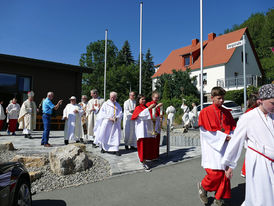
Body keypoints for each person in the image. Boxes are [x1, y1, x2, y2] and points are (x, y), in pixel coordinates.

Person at [222, 84, 274, 206]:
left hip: (272, 161)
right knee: (260, 195)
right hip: (258, 162)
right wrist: (229, 165)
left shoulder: (272, 115)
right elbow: (236, 141)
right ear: (260, 101)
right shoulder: (247, 117)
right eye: (272, 103)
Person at [197, 87, 236, 206]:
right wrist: (223, 137)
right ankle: (203, 186)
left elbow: (233, 128)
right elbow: (205, 132)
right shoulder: (205, 112)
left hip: (225, 147)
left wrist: (232, 137)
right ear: (212, 98)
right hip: (212, 147)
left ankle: (218, 198)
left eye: (223, 98)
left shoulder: (226, 112)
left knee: (224, 174)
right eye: (219, 98)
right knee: (215, 174)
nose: (222, 101)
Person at [132, 94, 160, 172]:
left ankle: (146, 160)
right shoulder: (138, 108)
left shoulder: (145, 107)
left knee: (146, 146)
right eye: (142, 99)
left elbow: (149, 116)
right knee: (142, 146)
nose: (144, 101)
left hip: (146, 130)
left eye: (144, 99)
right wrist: (150, 108)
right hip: (141, 131)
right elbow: (141, 115)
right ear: (138, 100)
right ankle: (142, 161)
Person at [94, 92, 123, 156]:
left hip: (115, 123)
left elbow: (120, 113)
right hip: (107, 122)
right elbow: (102, 113)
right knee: (105, 135)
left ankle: (115, 149)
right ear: (109, 97)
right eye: (111, 97)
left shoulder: (117, 105)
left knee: (115, 136)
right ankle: (104, 148)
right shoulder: (105, 104)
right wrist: (109, 118)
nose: (112, 98)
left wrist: (117, 117)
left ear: (116, 97)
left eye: (114, 97)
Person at [241, 92, 259, 178]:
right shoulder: (251, 112)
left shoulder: (250, 111)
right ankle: (245, 171)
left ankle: (245, 171)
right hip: (253, 138)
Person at [146, 91, 163, 160]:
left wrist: (161, 116)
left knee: (157, 140)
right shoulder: (149, 104)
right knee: (151, 141)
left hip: (157, 124)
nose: (156, 99)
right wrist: (156, 107)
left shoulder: (158, 105)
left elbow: (160, 114)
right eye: (155, 97)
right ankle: (150, 156)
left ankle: (156, 155)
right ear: (152, 97)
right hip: (151, 124)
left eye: (158, 98)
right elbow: (147, 111)